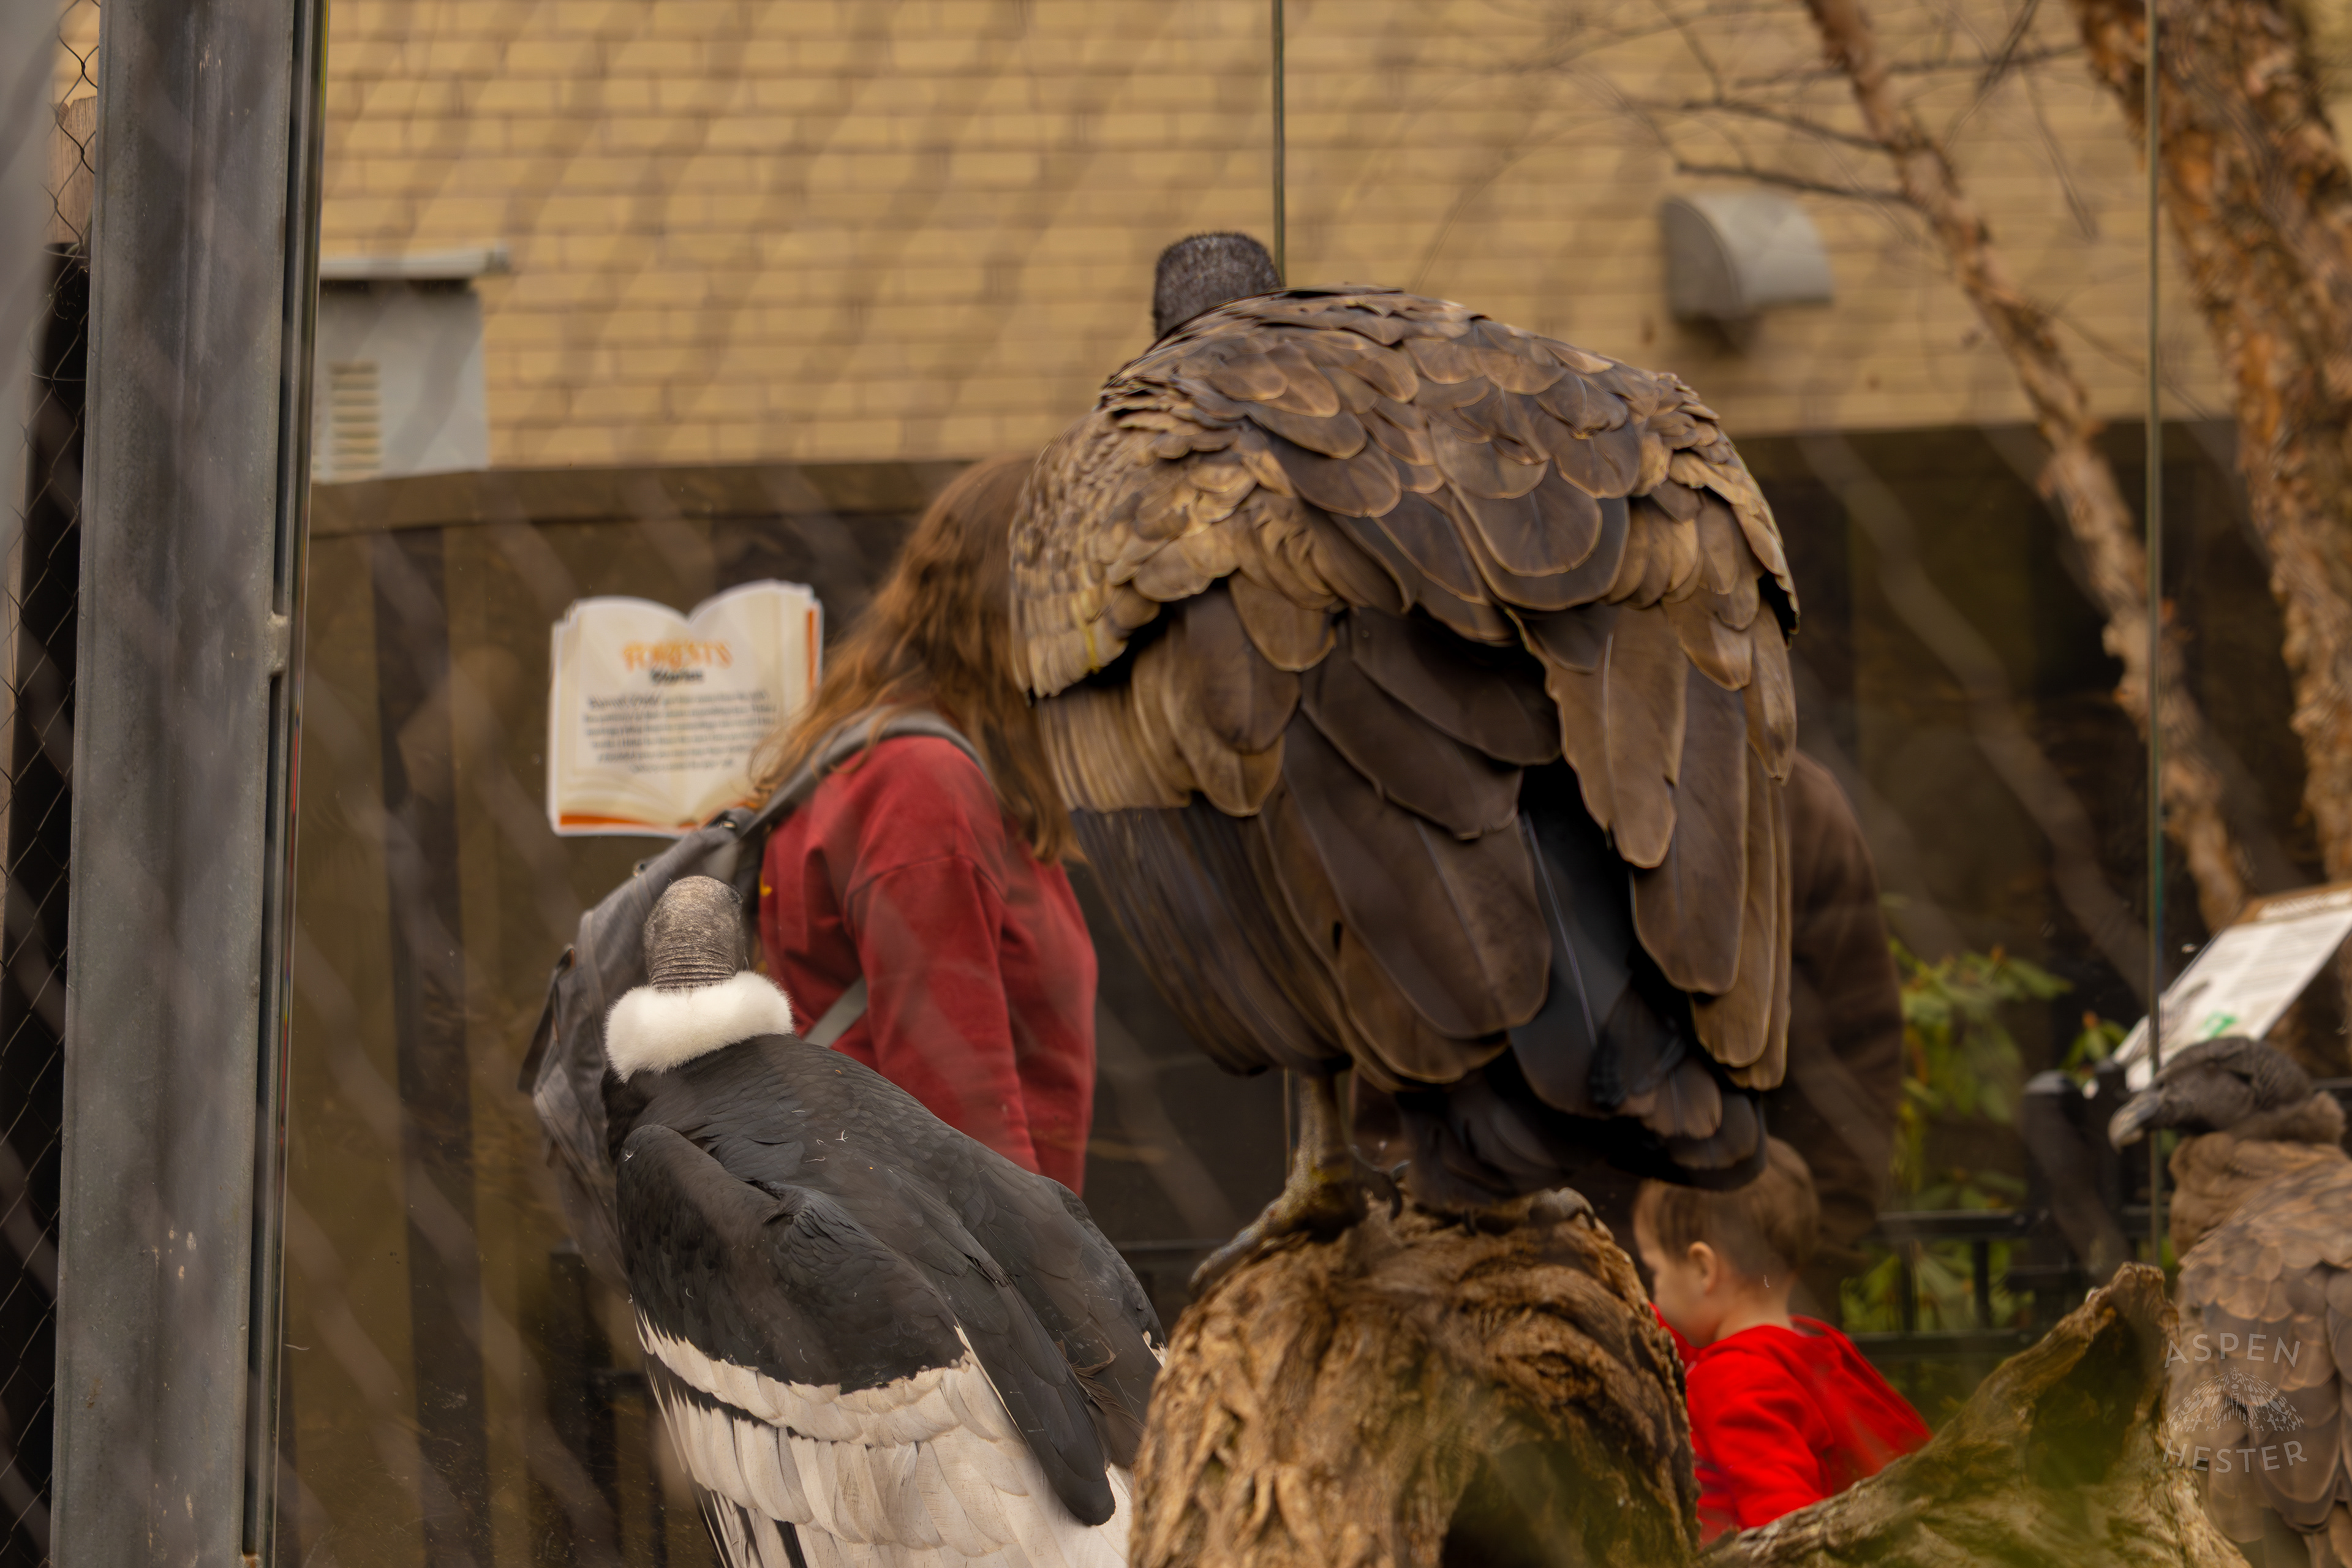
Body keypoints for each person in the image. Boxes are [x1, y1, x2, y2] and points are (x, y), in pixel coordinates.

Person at [748, 454, 1098, 1193]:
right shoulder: (923, 784)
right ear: (1026, 601)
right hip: (940, 1264)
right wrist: (1051, 1292)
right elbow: (958, 1109)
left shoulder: (930, 763)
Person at [1634, 1139, 1929, 1542]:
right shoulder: (1807, 1341)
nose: (1655, 1290)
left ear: (1704, 1268)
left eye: (1655, 1270)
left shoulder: (1734, 1383)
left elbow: (1786, 1527)